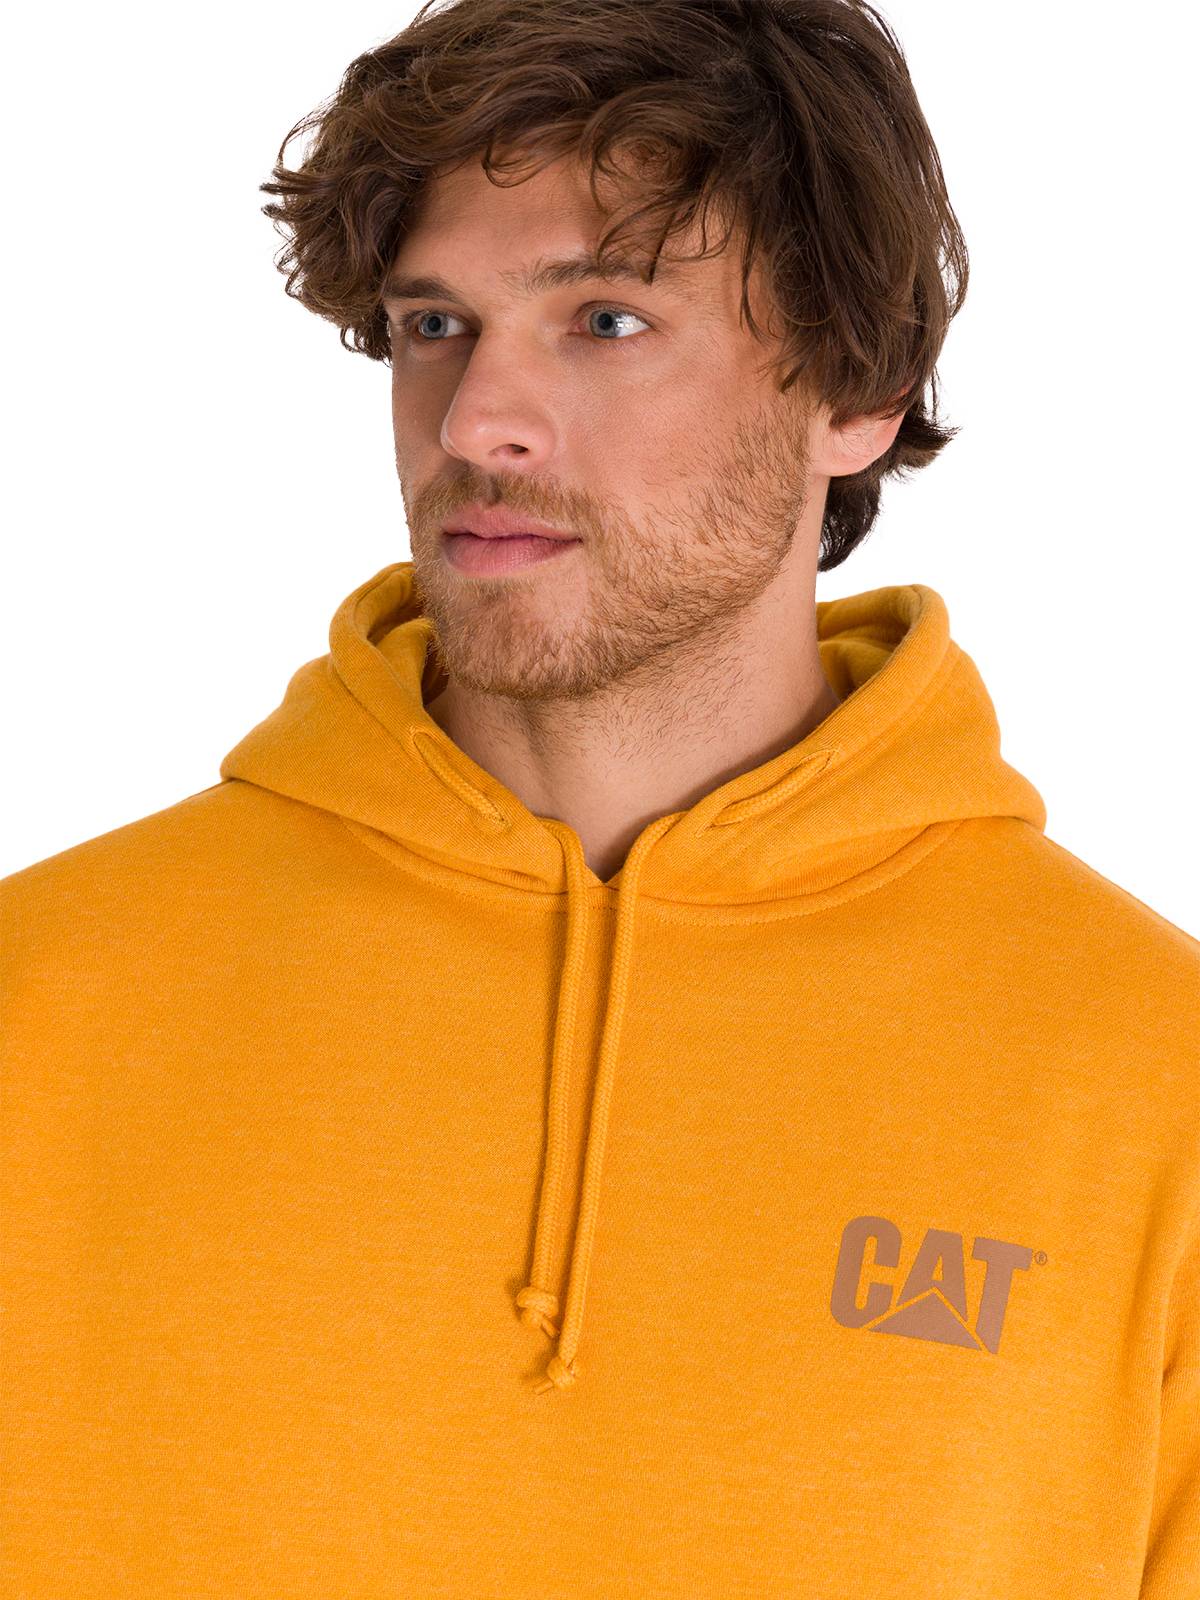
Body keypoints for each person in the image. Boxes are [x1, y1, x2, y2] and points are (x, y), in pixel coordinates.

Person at [3, 0, 1196, 1594]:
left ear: (860, 387)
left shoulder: (1152, 1081)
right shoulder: (40, 1001)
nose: (476, 421)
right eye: (437, 324)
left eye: (607, 320)